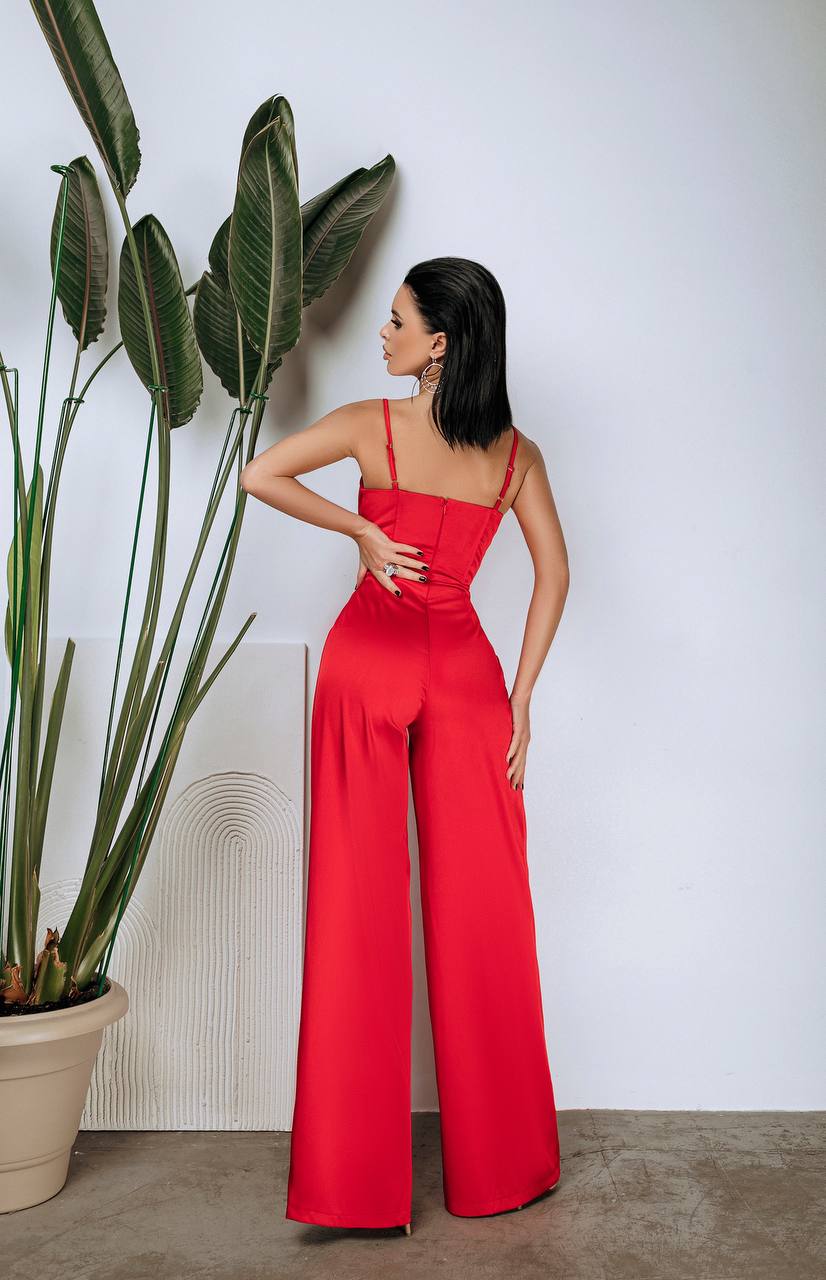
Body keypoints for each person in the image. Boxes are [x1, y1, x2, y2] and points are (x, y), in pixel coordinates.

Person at [240, 256, 570, 1235]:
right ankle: (503, 1170)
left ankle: (352, 1188)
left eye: (396, 321)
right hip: (468, 679)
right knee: (486, 912)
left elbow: (261, 473)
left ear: (439, 343)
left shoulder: (370, 426)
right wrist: (521, 698)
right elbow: (555, 573)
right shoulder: (515, 455)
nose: (381, 336)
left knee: (356, 908)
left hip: (369, 663)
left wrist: (360, 530)